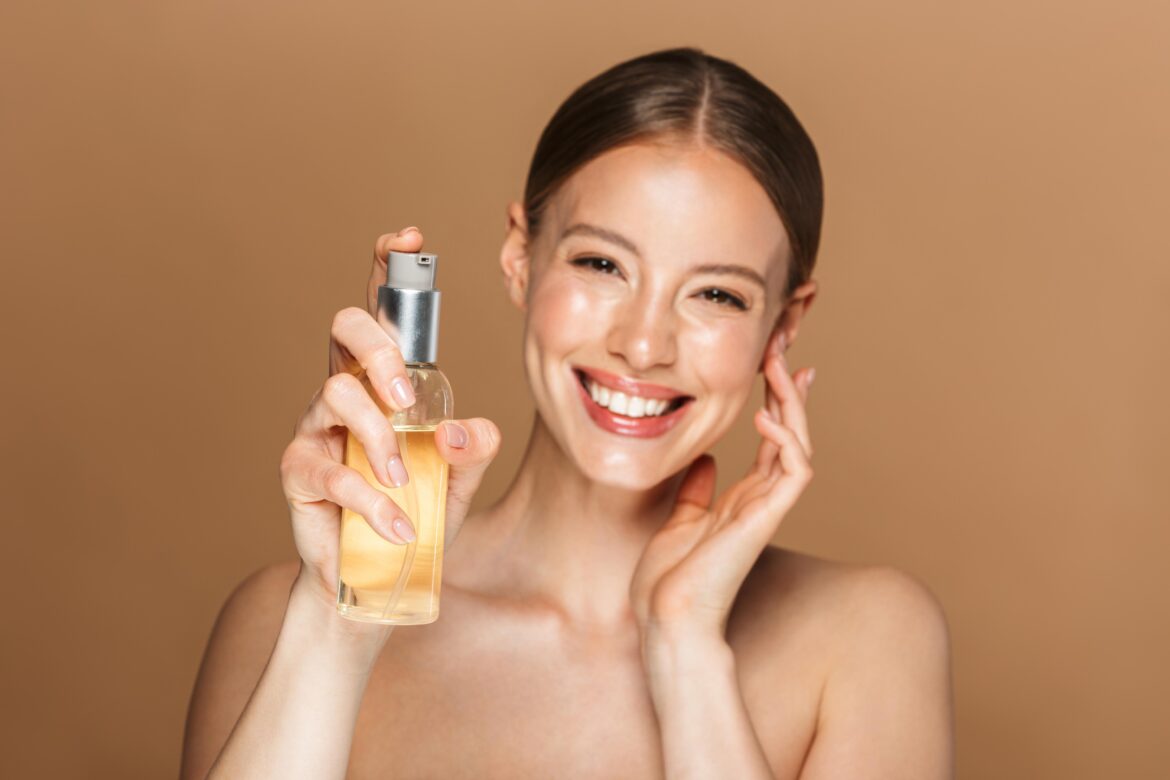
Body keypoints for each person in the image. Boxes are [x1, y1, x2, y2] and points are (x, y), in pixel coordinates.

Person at [180, 46, 953, 779]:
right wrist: (337, 629)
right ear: (521, 256)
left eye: (716, 293)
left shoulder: (866, 640)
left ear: (782, 325)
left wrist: (686, 651)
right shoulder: (283, 618)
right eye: (602, 264)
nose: (644, 344)